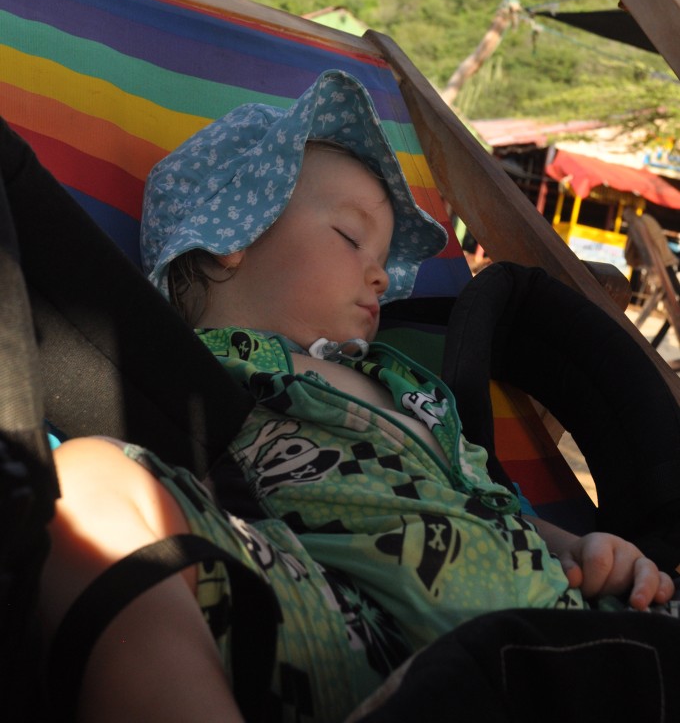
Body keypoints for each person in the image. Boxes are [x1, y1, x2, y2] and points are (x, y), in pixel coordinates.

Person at [37, 70, 680, 722]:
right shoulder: (181, 367)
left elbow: (484, 497)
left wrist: (575, 547)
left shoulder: (405, 383)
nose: (380, 275)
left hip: (557, 626)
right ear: (231, 237)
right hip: (358, 639)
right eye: (351, 238)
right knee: (85, 487)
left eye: (382, 259)